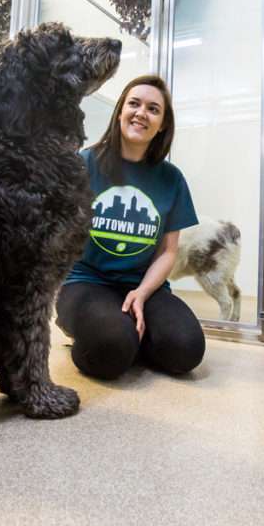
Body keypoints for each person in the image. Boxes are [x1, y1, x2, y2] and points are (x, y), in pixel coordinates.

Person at [57, 75, 206, 380]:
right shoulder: (84, 163)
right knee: (110, 350)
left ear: (163, 124)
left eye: (153, 109)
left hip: (143, 284)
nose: (141, 113)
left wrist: (141, 293)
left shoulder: (171, 179)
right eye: (134, 104)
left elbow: (168, 251)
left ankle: (128, 334)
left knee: (187, 350)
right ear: (120, 112)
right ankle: (103, 334)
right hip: (86, 282)